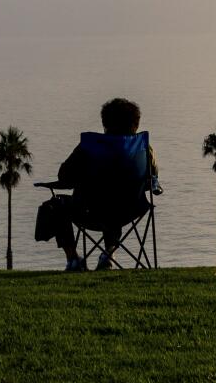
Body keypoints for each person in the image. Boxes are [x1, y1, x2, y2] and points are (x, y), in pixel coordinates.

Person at [44, 97, 160, 271]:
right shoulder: (144, 148)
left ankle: (73, 259)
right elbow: (153, 179)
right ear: (135, 124)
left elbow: (64, 175)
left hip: (90, 211)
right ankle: (109, 253)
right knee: (115, 202)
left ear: (105, 123)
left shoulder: (89, 147)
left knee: (55, 206)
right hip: (130, 209)